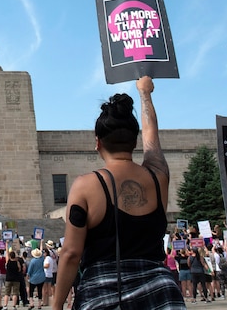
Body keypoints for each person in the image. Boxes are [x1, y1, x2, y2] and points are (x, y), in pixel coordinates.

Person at [52, 77, 184, 310]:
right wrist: (145, 94)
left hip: (104, 293)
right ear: (135, 141)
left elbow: (71, 253)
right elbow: (152, 136)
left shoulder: (85, 185)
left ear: (97, 143)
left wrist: (56, 306)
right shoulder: (158, 175)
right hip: (162, 294)